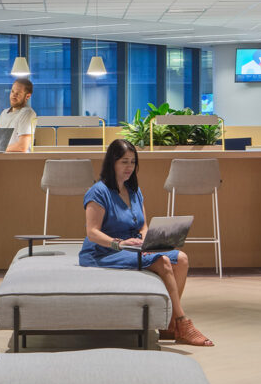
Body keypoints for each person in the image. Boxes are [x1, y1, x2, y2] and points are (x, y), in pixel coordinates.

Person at [79, 139, 213, 347]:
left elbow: (142, 226)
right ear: (112, 162)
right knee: (163, 262)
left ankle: (168, 323)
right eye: (124, 162)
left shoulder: (134, 190)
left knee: (182, 259)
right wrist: (121, 244)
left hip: (133, 247)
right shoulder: (98, 191)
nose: (129, 167)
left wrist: (147, 240)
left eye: (133, 162)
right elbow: (93, 232)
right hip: (105, 251)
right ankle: (181, 323)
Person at [0, 78, 35, 152]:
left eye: (18, 93)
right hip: (2, 158)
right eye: (12, 92)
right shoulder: (4, 113)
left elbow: (22, 147)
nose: (13, 96)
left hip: (18, 160)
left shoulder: (27, 113)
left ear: (27, 96)